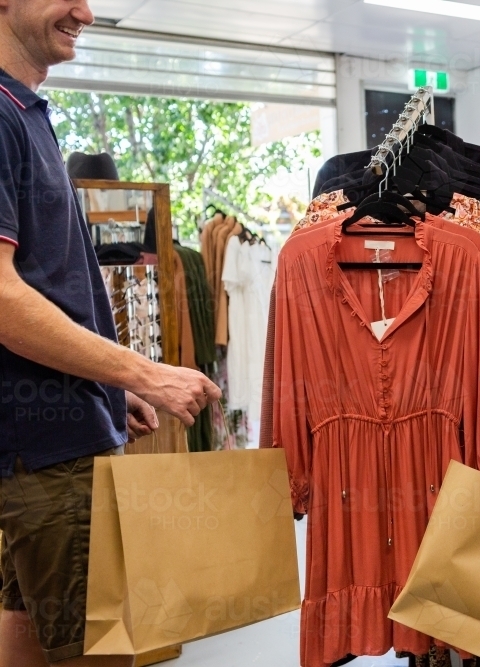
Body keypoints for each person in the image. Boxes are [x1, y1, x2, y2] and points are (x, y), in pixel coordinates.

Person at [0, 1, 222, 665]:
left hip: (47, 437)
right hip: (46, 451)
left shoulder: (25, 112)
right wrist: (143, 371)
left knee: (29, 629)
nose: (87, 11)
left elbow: (39, 283)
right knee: (107, 649)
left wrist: (96, 381)